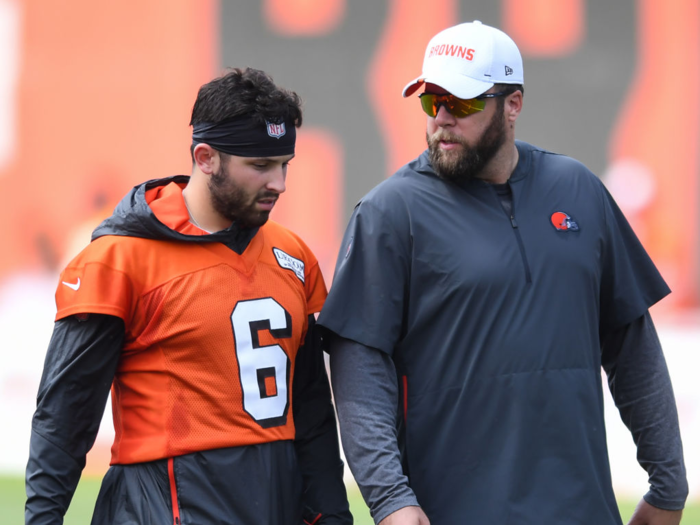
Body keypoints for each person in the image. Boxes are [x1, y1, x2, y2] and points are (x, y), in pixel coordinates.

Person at [318, 21, 688, 525]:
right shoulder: (389, 213)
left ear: (512, 104)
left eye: (462, 103)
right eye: (432, 101)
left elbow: (632, 345)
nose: (442, 118)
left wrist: (669, 483)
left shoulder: (579, 190)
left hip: (583, 510)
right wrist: (390, 501)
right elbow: (360, 369)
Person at [25, 67, 352, 525]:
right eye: (259, 166)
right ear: (205, 157)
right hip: (162, 506)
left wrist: (331, 514)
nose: (278, 183)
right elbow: (65, 415)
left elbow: (312, 408)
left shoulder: (291, 255)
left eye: (284, 165)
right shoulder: (120, 259)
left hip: (273, 502)